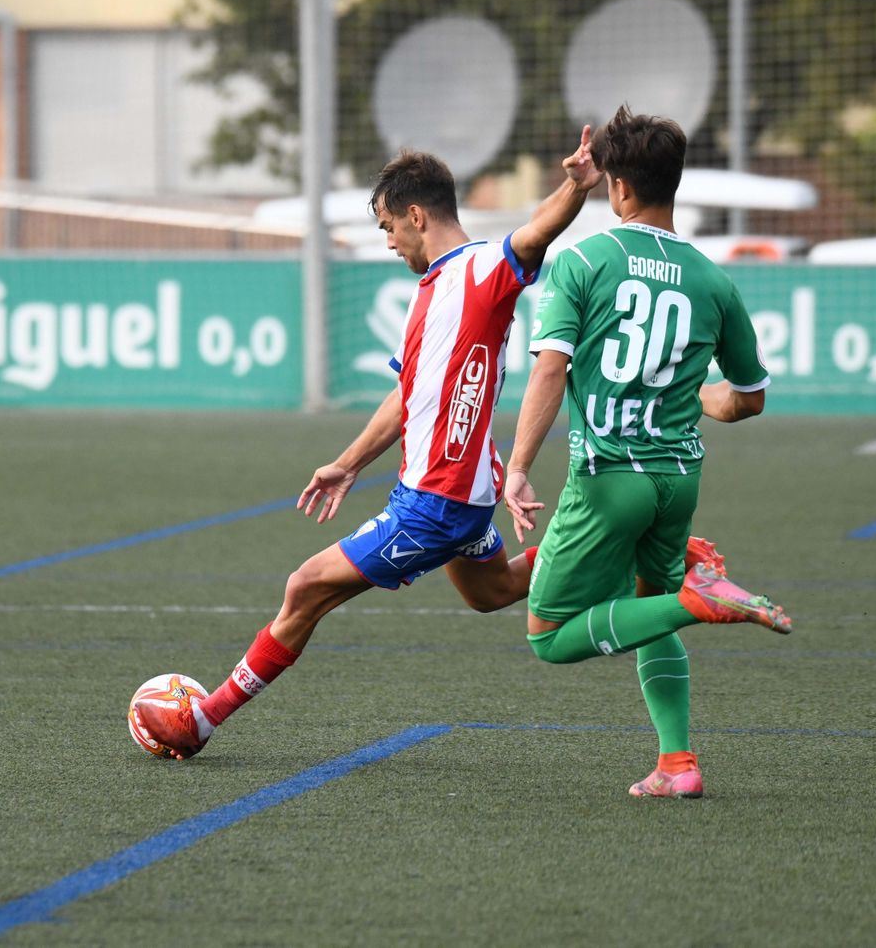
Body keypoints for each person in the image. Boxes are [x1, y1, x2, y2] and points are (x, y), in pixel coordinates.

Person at [132, 132, 617, 759]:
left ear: (417, 215)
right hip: (459, 494)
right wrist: (346, 463)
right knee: (491, 592)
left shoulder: (481, 269)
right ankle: (615, 550)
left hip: (438, 500)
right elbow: (404, 398)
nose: (389, 242)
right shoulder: (434, 291)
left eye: (390, 227)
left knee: (305, 587)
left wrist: (578, 186)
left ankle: (203, 718)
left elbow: (533, 233)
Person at [503, 106, 792, 801]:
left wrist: (516, 466)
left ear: (619, 189)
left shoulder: (581, 260)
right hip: (677, 479)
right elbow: (747, 398)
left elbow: (549, 369)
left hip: (609, 478)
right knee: (648, 600)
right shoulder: (713, 280)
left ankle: (699, 600)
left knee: (548, 633)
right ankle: (678, 762)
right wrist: (695, 397)